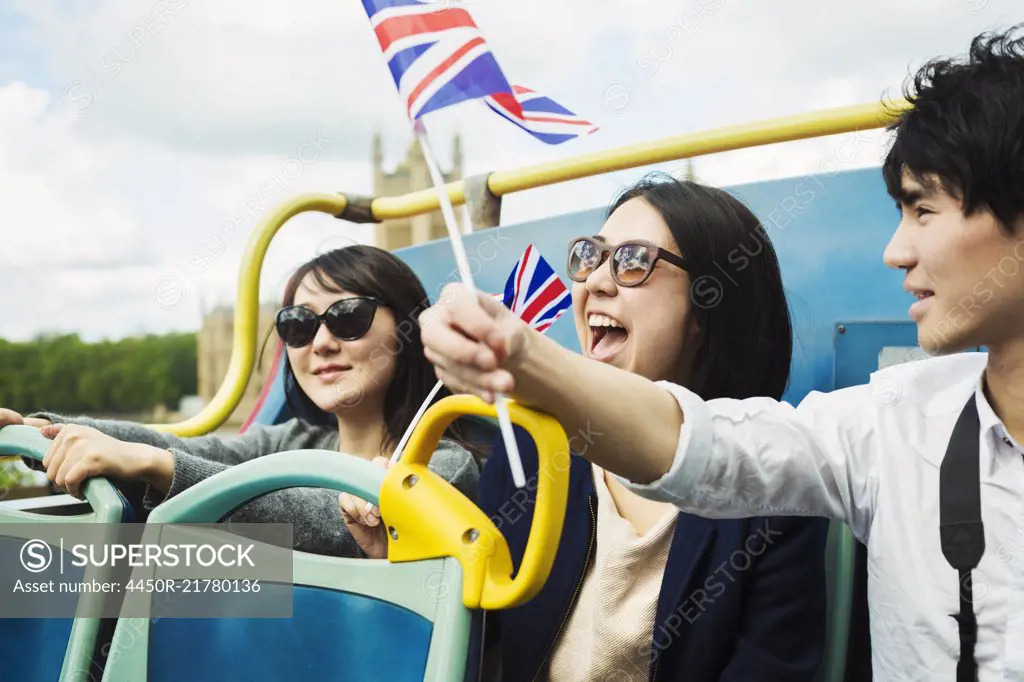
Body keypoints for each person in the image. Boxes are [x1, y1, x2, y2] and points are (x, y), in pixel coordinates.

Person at [419, 26, 1024, 681]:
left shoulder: (791, 508)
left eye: (923, 210)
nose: (894, 252)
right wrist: (525, 362)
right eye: (590, 255)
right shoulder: (885, 427)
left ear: (710, 306)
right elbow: (707, 446)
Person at [363, 173, 826, 681]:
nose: (595, 282)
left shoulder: (772, 482)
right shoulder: (530, 452)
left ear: (710, 305)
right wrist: (406, 562)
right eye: (591, 256)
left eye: (633, 262)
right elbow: (478, 631)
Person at [0, 245, 480, 558]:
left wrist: (158, 466)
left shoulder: (442, 463)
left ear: (409, 329)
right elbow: (202, 452)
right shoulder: (301, 440)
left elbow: (318, 524)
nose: (321, 342)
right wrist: (34, 428)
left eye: (347, 316)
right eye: (298, 324)